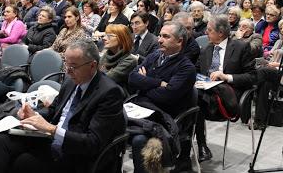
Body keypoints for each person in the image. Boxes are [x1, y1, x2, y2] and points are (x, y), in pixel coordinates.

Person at [0, 39, 125, 173]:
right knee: (0, 139)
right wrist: (34, 115)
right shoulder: (70, 80)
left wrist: (52, 129)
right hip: (50, 139)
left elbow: (93, 143)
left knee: (21, 162)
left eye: (73, 66)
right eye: (66, 64)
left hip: (75, 153)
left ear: (92, 66)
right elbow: (54, 109)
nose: (67, 71)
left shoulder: (109, 93)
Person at [128, 21, 196, 173]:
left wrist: (144, 84)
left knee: (139, 140)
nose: (159, 40)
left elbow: (167, 97)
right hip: (139, 109)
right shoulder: (154, 55)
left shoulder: (186, 68)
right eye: (160, 35)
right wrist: (158, 83)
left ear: (179, 41)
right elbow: (132, 78)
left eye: (166, 36)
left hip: (164, 116)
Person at [194, 15, 255, 163]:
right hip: (205, 93)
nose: (205, 33)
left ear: (220, 33)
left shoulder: (241, 47)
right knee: (188, 96)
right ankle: (194, 144)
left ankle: (189, 144)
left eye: (209, 30)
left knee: (193, 100)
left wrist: (226, 77)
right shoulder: (206, 50)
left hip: (228, 96)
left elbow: (253, 77)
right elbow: (196, 71)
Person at [254, 19, 283, 129]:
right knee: (265, 84)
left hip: (280, 72)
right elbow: (270, 56)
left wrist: (276, 64)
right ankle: (260, 120)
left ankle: (252, 86)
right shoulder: (278, 42)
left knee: (262, 72)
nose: (282, 30)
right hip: (272, 73)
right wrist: (265, 61)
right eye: (280, 28)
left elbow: (276, 63)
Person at [99, 24, 137, 94]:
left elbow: (106, 79)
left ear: (122, 39)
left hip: (116, 95)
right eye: (105, 35)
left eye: (109, 36)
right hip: (101, 90)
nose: (104, 38)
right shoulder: (107, 54)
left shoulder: (130, 60)